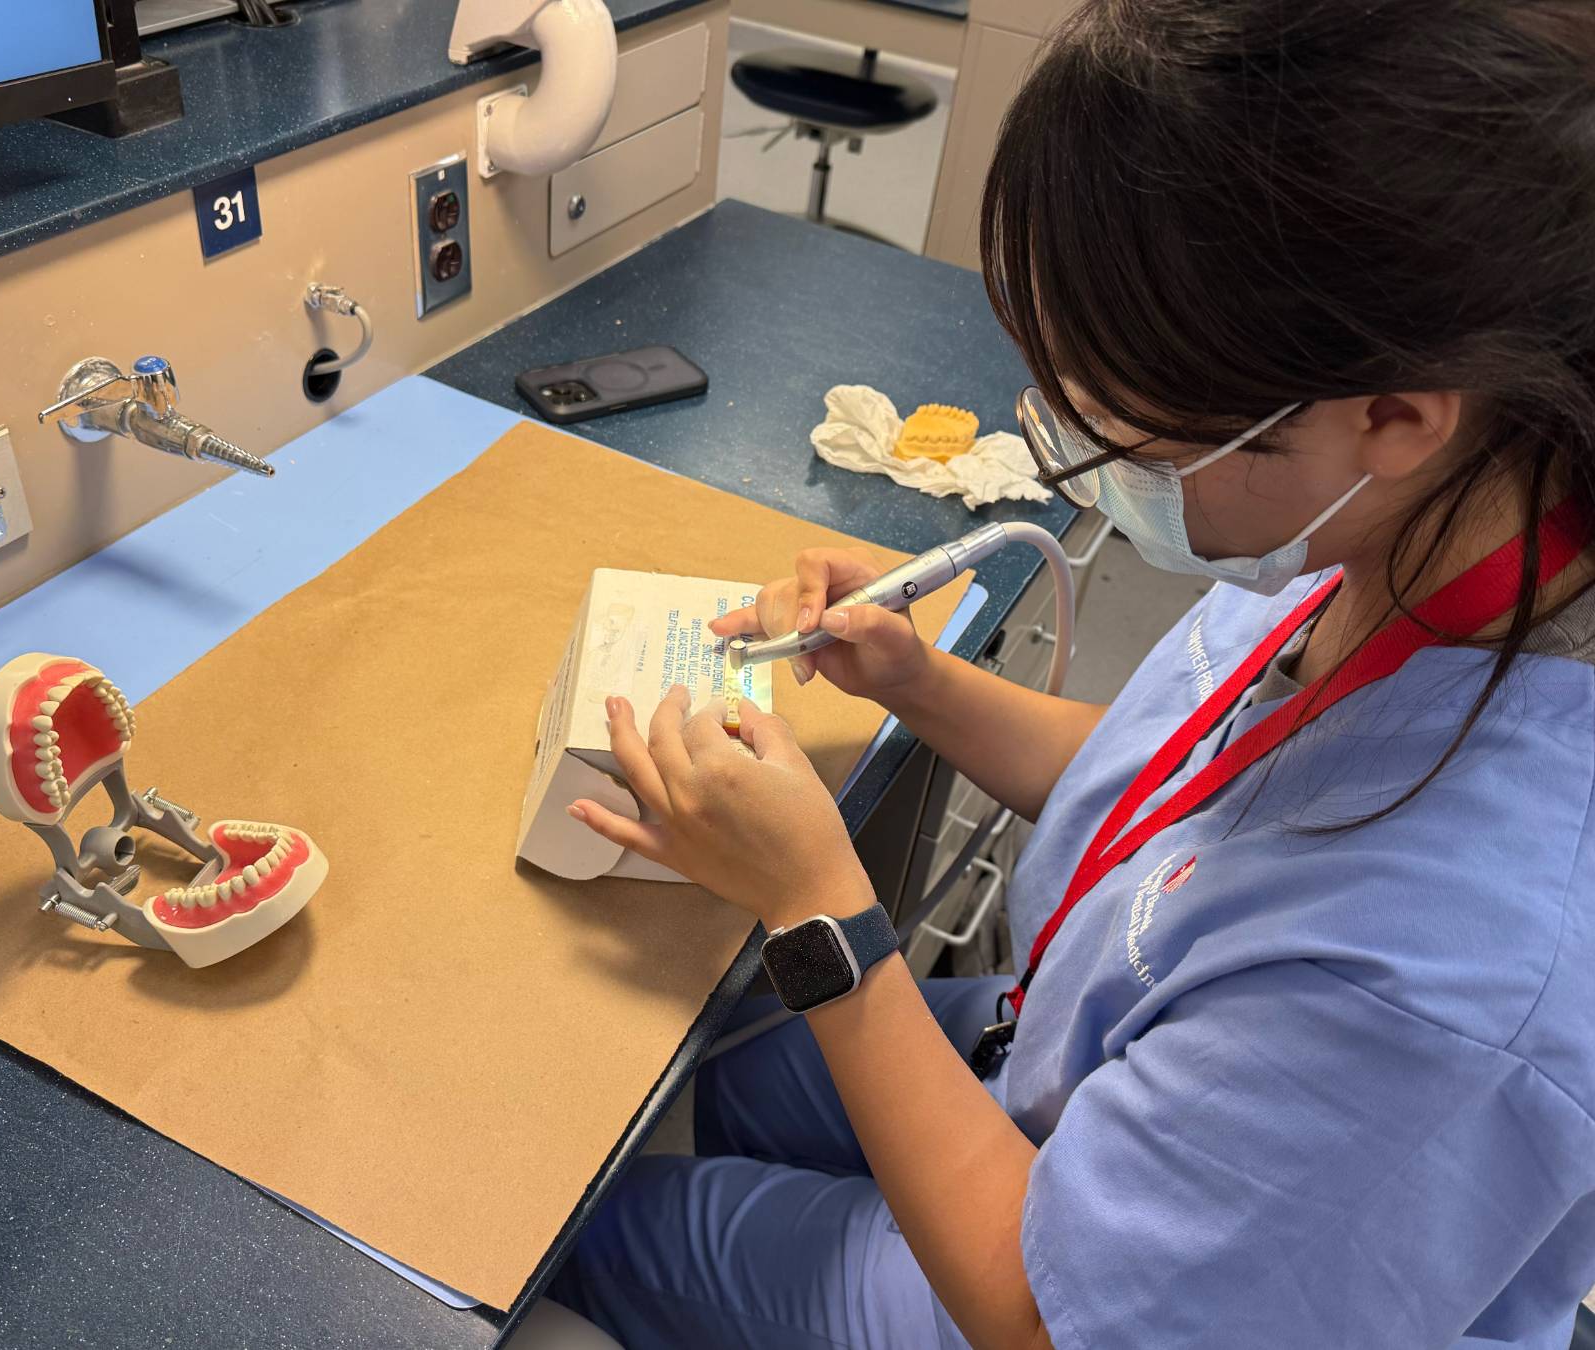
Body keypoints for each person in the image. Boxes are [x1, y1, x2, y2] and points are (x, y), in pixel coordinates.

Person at [548, 1, 1595, 1345]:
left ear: (1391, 415)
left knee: (619, 1224)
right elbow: (1206, 793)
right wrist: (919, 680)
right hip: (1062, 1051)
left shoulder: (1459, 979)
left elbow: (1046, 1315)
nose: (1075, 445)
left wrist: (819, 905)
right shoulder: (1439, 529)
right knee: (724, 1081)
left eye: (1124, 418)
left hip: (1051, 1295)